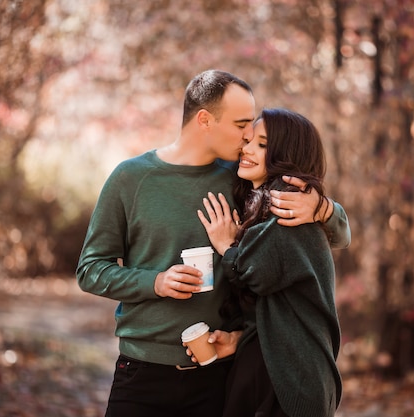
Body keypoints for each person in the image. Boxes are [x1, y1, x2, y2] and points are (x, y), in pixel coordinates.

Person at [76, 70, 350, 417]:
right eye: (241, 126)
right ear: (205, 119)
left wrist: (322, 208)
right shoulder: (130, 179)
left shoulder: (243, 181)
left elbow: (335, 236)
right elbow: (90, 270)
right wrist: (155, 282)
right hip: (142, 373)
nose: (247, 137)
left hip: (219, 377)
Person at [197, 107, 343, 417]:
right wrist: (242, 338)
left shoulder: (290, 216)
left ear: (285, 155)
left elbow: (253, 273)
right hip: (274, 367)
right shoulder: (269, 210)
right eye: (247, 141)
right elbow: (277, 304)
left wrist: (226, 246)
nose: (246, 149)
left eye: (261, 144)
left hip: (290, 381)